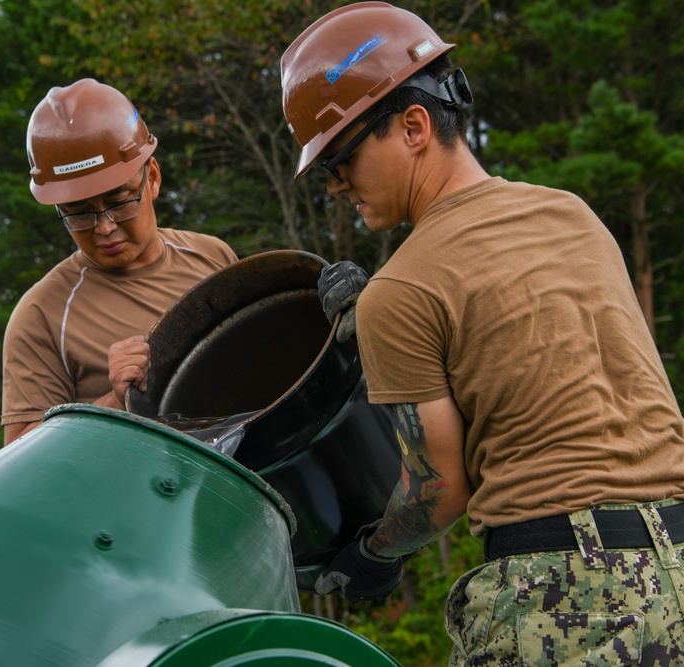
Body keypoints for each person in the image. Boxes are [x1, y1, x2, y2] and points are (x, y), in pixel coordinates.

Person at [281, 3, 684, 663]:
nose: (334, 184)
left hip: (563, 594)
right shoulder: (572, 214)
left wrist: (374, 552)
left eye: (343, 157)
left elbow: (441, 487)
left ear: (413, 125)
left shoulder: (399, 290)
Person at [2, 79, 237, 445]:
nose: (104, 227)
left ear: (153, 178)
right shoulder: (42, 315)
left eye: (119, 200)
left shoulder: (212, 256)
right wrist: (114, 402)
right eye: (78, 213)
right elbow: (19, 458)